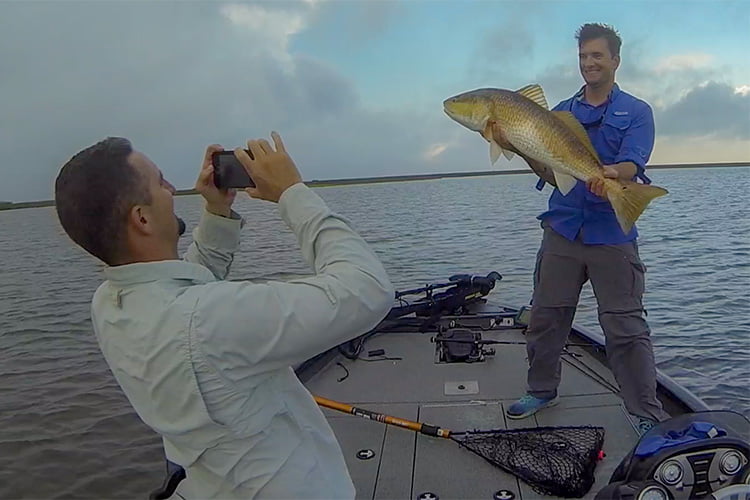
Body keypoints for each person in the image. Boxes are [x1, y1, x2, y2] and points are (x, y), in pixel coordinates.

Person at [53, 131, 395, 498]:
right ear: (142, 219)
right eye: (160, 182)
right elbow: (366, 290)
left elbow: (183, 293)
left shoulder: (110, 302)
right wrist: (292, 193)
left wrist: (217, 211)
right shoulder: (208, 320)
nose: (172, 188)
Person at [505, 23, 670, 434]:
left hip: (612, 233)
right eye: (583, 57)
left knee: (626, 327)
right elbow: (546, 168)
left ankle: (644, 411)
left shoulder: (637, 111)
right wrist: (513, 145)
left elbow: (634, 163)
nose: (589, 63)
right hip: (562, 228)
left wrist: (612, 174)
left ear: (615, 60)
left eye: (597, 55)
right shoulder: (558, 113)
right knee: (545, 317)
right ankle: (541, 390)